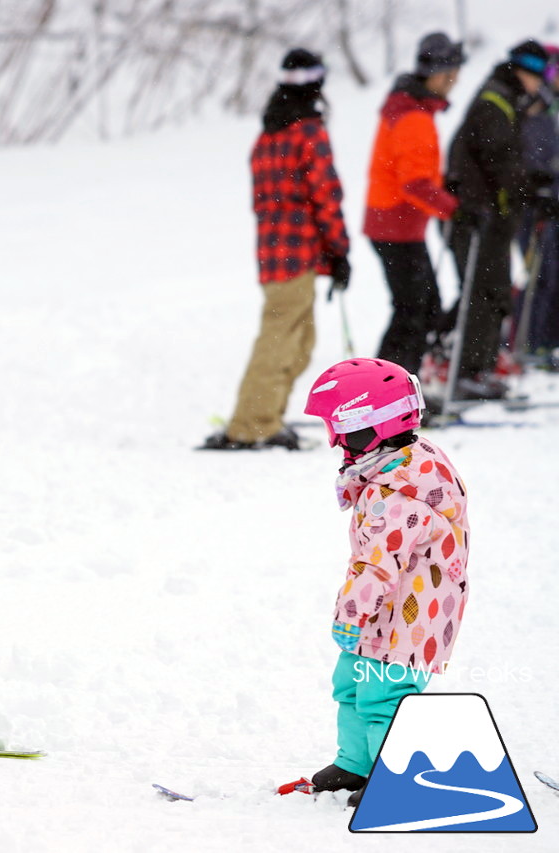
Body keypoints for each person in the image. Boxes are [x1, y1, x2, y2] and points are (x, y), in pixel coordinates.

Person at [301, 357, 470, 808]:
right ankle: (355, 760)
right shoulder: (398, 466)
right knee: (353, 684)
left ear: (367, 426)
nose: (336, 441)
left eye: (340, 429)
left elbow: (378, 565)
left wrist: (350, 614)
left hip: (409, 616)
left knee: (385, 694)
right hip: (384, 611)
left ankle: (394, 773)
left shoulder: (396, 492)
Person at [202, 49, 350, 451]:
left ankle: (267, 416)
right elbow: (326, 196)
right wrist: (340, 250)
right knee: (281, 339)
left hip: (273, 251)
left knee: (298, 341)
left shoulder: (269, 134)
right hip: (297, 250)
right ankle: (253, 424)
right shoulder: (308, 132)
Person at [443, 40, 556, 400]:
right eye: (539, 78)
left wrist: (534, 187)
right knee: (483, 292)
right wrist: (531, 192)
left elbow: (507, 162)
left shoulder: (506, 100)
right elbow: (498, 161)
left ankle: (479, 368)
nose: (540, 86)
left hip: (490, 213)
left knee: (493, 292)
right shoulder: (496, 102)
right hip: (477, 215)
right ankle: (466, 371)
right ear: (524, 73)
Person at [363, 33, 466, 377]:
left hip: (394, 225)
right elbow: (414, 184)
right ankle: (385, 391)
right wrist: (454, 208)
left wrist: (444, 188)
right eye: (452, 74)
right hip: (396, 226)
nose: (454, 82)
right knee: (413, 310)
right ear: (437, 73)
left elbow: (414, 172)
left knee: (420, 307)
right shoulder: (414, 116)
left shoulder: (410, 108)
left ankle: (394, 386)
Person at [513, 45, 559, 366]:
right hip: (535, 204)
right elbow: (532, 157)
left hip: (552, 203)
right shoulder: (533, 107)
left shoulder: (550, 108)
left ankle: (546, 341)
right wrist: (538, 193)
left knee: (552, 272)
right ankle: (528, 341)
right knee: (540, 271)